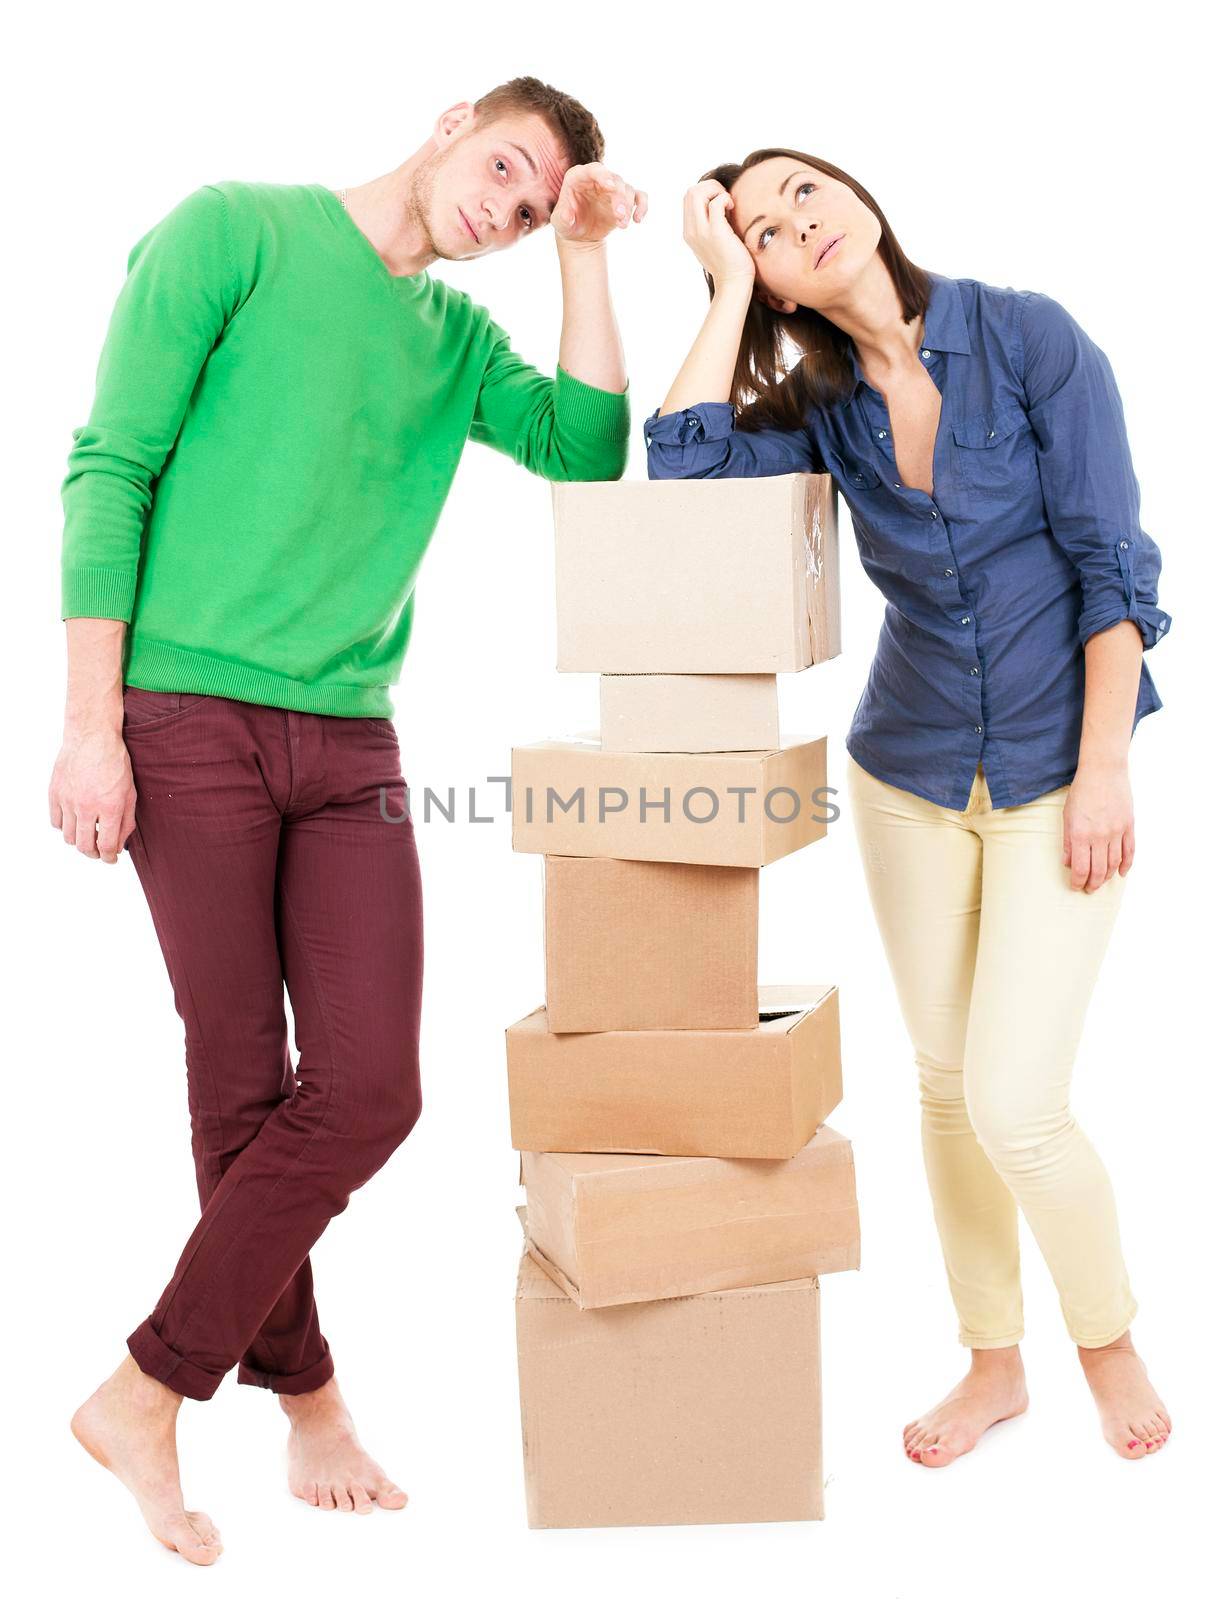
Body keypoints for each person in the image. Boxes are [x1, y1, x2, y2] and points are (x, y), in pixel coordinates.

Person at [51, 76, 642, 1565]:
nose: (498, 211)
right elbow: (110, 469)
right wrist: (88, 726)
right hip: (185, 718)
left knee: (371, 1088)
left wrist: (581, 254)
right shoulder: (233, 232)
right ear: (450, 122)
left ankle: (146, 1387)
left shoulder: (458, 341)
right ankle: (305, 1395)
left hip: (352, 737)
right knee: (243, 1082)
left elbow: (585, 447)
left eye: (524, 207)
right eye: (504, 169)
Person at [645, 148, 1171, 1469]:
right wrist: (719, 294)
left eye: (802, 193)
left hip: (1062, 771)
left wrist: (1105, 768)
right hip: (910, 774)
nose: (794, 224)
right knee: (945, 1089)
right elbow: (680, 474)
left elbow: (1116, 575)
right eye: (761, 230)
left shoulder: (1029, 338)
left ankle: (1107, 1346)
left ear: (860, 194)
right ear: (760, 273)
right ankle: (993, 1364)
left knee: (1017, 1103)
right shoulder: (820, 405)